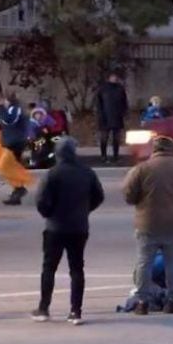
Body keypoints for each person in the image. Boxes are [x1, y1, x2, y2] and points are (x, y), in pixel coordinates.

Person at [123, 136, 173, 315]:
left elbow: (128, 194)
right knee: (172, 260)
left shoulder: (142, 169)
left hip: (147, 222)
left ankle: (142, 301)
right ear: (171, 149)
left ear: (154, 149)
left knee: (144, 262)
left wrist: (140, 202)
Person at [31, 137, 105, 325]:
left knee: (49, 267)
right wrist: (85, 210)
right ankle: (75, 311)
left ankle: (44, 307)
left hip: (55, 226)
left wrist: (49, 213)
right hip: (79, 226)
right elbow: (98, 196)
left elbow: (41, 200)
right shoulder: (87, 173)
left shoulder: (52, 174)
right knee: (77, 268)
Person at [0, 92, 33, 206]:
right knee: (12, 166)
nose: (2, 103)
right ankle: (17, 190)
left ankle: (20, 187)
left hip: (15, 143)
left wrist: (1, 109)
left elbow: (9, 120)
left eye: (3, 101)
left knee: (4, 166)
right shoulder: (12, 109)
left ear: (7, 100)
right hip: (12, 142)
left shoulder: (14, 109)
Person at [97, 72, 129, 164]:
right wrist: (100, 115)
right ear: (109, 78)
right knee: (104, 137)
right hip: (105, 117)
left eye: (115, 77)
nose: (114, 78)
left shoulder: (120, 89)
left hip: (117, 117)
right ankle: (103, 156)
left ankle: (116, 156)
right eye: (112, 77)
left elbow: (124, 102)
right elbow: (99, 104)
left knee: (116, 138)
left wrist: (124, 113)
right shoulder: (103, 89)